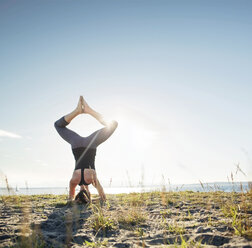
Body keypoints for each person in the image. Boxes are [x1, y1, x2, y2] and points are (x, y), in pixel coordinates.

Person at [54, 96, 118, 203]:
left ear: (89, 194)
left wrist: (91, 201)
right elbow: (70, 200)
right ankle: (78, 111)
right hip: (76, 144)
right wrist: (75, 200)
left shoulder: (91, 180)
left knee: (113, 124)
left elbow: (103, 198)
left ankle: (89, 110)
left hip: (91, 145)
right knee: (58, 125)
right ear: (78, 193)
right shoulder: (74, 181)